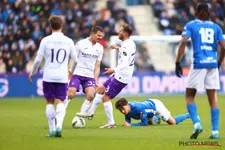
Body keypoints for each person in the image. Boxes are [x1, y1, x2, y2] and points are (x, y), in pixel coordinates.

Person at [175, 3, 225, 139]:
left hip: (198, 64)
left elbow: (184, 41)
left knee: (190, 95)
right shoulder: (216, 27)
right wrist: (218, 63)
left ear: (196, 12)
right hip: (212, 65)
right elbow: (224, 47)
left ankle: (197, 123)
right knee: (213, 98)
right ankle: (215, 131)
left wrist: (178, 62)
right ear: (209, 13)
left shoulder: (191, 25)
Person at [77, 23, 136, 128]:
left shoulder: (127, 45)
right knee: (100, 90)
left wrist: (114, 69)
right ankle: (91, 112)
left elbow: (125, 63)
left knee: (106, 98)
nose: (119, 32)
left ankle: (111, 123)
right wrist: (118, 48)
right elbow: (127, 53)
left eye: (121, 31)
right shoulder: (129, 43)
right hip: (120, 74)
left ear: (125, 33)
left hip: (122, 76)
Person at [28, 15, 77, 137]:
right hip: (62, 76)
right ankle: (59, 127)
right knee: (60, 101)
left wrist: (32, 73)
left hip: (48, 76)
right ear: (62, 25)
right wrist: (71, 71)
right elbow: (75, 60)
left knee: (49, 102)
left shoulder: (45, 40)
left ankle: (51, 130)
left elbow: (38, 60)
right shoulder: (69, 41)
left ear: (50, 26)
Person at [64, 26, 104, 114]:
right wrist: (69, 71)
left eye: (101, 36)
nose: (100, 38)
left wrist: (96, 80)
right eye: (98, 35)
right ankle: (61, 111)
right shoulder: (80, 44)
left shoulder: (100, 48)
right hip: (77, 73)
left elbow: (97, 66)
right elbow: (72, 59)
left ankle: (80, 116)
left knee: (90, 95)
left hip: (89, 76)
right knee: (71, 93)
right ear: (92, 34)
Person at [115, 98, 190, 126]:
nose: (122, 111)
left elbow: (144, 123)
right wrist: (127, 122)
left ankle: (189, 115)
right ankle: (156, 118)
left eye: (123, 109)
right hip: (148, 109)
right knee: (152, 123)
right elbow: (128, 119)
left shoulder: (138, 109)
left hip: (156, 106)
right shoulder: (127, 109)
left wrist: (131, 125)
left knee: (173, 122)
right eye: (120, 110)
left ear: (127, 105)